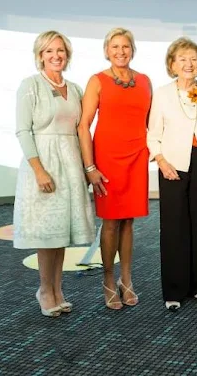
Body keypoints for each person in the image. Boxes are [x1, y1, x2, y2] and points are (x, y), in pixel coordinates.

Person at [13, 30, 95, 317]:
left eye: (60, 50)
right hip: (43, 165)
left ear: (67, 55)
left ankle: (58, 290)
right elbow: (23, 130)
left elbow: (81, 130)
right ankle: (44, 290)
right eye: (49, 51)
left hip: (69, 164)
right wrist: (38, 170)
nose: (56, 55)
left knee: (61, 235)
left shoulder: (74, 89)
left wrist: (88, 167)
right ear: (40, 56)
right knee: (47, 235)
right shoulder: (30, 85)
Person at [147, 37, 197, 311]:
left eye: (193, 59)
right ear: (172, 64)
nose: (188, 63)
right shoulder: (162, 93)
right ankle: (173, 290)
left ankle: (196, 285)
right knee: (173, 227)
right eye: (182, 59)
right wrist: (160, 160)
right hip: (172, 164)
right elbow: (153, 133)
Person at [78, 28, 152, 310]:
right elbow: (84, 125)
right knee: (110, 222)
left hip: (137, 156)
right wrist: (89, 166)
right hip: (107, 159)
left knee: (129, 221)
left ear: (133, 49)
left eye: (126, 47)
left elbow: (151, 122)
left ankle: (127, 279)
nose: (121, 52)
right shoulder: (97, 81)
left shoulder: (145, 81)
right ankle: (108, 280)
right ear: (106, 50)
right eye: (115, 47)